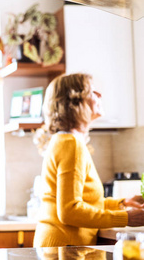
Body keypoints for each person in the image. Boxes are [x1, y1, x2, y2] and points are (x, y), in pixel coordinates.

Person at [33, 73, 144, 247]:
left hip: (58, 246)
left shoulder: (65, 140)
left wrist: (122, 203)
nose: (99, 95)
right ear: (75, 103)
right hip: (63, 248)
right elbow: (70, 211)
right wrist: (127, 217)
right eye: (92, 92)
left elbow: (85, 202)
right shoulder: (71, 144)